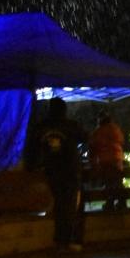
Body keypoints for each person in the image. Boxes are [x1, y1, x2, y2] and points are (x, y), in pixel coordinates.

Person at [25, 97, 86, 250]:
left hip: (52, 171)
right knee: (71, 205)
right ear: (64, 110)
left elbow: (31, 148)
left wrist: (32, 165)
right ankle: (71, 239)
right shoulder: (71, 125)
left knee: (58, 205)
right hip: (70, 171)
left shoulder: (41, 127)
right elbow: (85, 137)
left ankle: (60, 239)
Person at [88, 112, 126, 211]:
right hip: (117, 160)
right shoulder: (116, 129)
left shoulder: (99, 132)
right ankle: (122, 203)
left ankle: (110, 203)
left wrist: (93, 163)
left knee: (109, 183)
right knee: (118, 182)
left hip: (106, 161)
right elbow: (121, 141)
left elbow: (93, 147)